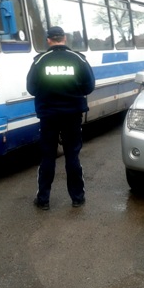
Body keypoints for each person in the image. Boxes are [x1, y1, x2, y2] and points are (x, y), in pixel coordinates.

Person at [26, 26, 95, 210]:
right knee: (72, 155)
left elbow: (32, 89)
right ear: (64, 38)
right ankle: (77, 198)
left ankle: (43, 200)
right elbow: (89, 87)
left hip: (48, 116)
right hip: (72, 115)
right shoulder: (78, 58)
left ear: (48, 40)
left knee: (47, 157)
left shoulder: (40, 60)